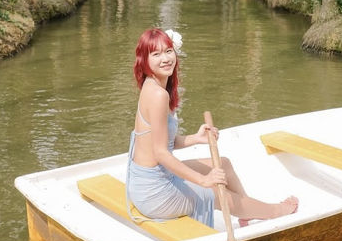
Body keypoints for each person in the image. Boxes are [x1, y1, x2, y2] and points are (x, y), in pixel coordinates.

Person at [125, 27, 299, 229]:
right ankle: (275, 212)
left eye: (168, 51)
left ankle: (247, 212)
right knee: (217, 193)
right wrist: (203, 180)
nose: (165, 58)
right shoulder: (158, 95)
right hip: (154, 193)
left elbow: (160, 141)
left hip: (150, 180)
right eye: (156, 54)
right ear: (145, 61)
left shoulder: (152, 85)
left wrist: (195, 138)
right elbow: (161, 152)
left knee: (223, 164)